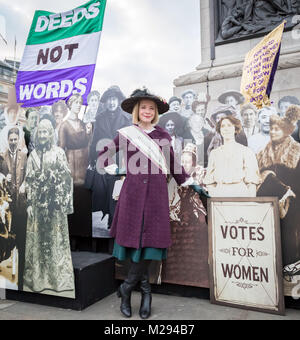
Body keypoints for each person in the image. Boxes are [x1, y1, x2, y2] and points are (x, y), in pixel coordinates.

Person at [97, 88, 208, 319]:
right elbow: (104, 155)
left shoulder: (163, 137)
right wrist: (115, 169)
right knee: (135, 245)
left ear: (156, 112)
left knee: (149, 245)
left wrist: (192, 184)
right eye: (143, 107)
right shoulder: (127, 133)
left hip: (156, 196)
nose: (147, 111)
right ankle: (144, 291)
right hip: (133, 196)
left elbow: (175, 167)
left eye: (151, 108)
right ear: (137, 111)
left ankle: (128, 288)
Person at [23, 119, 75, 296]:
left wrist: (65, 202)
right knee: (37, 243)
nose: (43, 135)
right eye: (40, 132)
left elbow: (67, 178)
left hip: (55, 207)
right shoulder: (33, 156)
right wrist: (29, 203)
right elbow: (28, 180)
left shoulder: (59, 153)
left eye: (46, 132)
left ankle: (57, 281)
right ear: (37, 135)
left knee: (56, 242)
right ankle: (38, 280)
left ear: (51, 134)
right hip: (37, 207)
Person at [257, 105, 300, 282]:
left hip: (294, 198)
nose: (273, 132)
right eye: (271, 128)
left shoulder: (296, 150)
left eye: (277, 129)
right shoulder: (262, 152)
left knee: (290, 232)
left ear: (286, 131)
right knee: (272, 233)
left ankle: (292, 267)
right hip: (271, 200)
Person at [204, 115, 260, 197]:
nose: (226, 129)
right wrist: (214, 195)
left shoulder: (246, 151)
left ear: (235, 129)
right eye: (223, 126)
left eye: (229, 125)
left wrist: (250, 201)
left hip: (240, 194)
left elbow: (252, 182)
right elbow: (209, 181)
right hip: (219, 195)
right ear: (220, 130)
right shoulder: (214, 153)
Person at [1, 128, 27, 290]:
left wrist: (25, 184)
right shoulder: (1, 157)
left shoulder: (24, 156)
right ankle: (5, 282)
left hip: (21, 208)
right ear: (7, 140)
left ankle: (21, 282)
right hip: (7, 209)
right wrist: (4, 178)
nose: (12, 142)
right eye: (10, 139)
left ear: (18, 140)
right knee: (6, 244)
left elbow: (28, 176)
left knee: (22, 244)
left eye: (15, 139)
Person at [58, 94, 91, 186]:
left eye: (80, 103)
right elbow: (61, 148)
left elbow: (88, 143)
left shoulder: (83, 123)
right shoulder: (64, 125)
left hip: (84, 162)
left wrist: (88, 133)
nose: (79, 105)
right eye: (76, 102)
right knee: (74, 189)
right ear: (70, 104)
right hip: (72, 162)